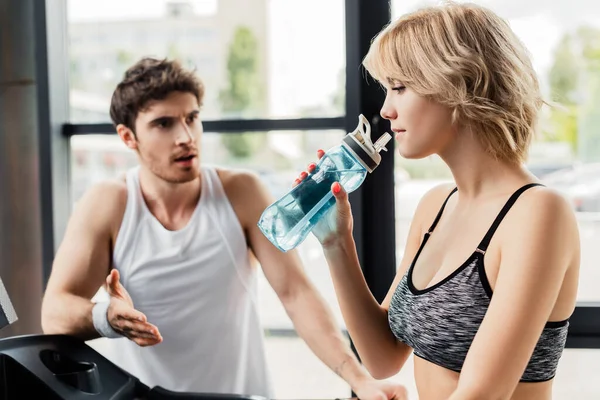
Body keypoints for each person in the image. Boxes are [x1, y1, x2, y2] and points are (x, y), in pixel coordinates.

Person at [40, 57, 408, 400]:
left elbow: (297, 295)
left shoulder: (241, 191)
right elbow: (54, 311)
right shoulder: (109, 202)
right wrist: (106, 317)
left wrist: (358, 377)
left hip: (239, 395)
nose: (185, 136)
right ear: (127, 137)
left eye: (192, 118)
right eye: (163, 123)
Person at [297, 2, 580, 400]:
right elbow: (383, 356)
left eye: (399, 87)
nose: (385, 109)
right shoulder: (436, 206)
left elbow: (482, 394)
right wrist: (336, 242)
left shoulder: (537, 214)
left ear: (457, 82)